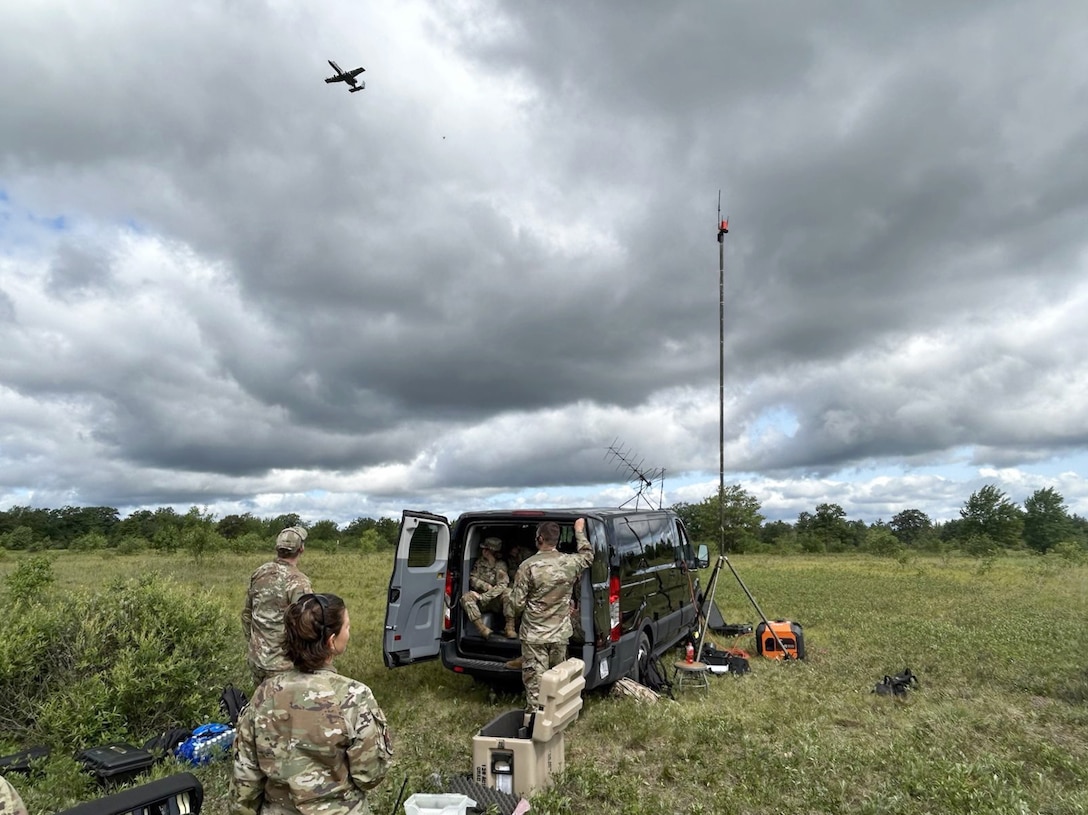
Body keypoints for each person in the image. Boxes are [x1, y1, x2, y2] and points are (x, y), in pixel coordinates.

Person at [231, 593, 393, 815]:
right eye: (347, 627)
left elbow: (246, 778)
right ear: (331, 641)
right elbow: (369, 776)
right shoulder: (355, 697)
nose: (349, 632)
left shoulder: (264, 694)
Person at [509, 518, 593, 710]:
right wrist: (579, 531)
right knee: (558, 682)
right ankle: (557, 720)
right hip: (560, 634)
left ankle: (536, 726)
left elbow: (516, 604)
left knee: (536, 688)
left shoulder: (527, 566)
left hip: (534, 636)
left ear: (539, 538)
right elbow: (588, 556)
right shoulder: (570, 562)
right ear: (556, 540)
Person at [241, 526, 313, 685]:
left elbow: (247, 614)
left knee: (261, 704)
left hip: (257, 658)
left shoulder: (259, 572)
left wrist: (254, 643)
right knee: (284, 708)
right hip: (283, 664)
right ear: (301, 549)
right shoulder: (299, 582)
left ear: (277, 548)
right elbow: (306, 626)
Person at [462, 537, 517, 639]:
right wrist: (485, 586)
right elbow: (473, 578)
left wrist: (485, 596)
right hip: (482, 599)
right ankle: (483, 629)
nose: (484, 551)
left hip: (495, 601)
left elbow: (502, 586)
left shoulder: (501, 565)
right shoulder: (479, 563)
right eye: (483, 549)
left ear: (493, 552)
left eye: (487, 549)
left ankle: (510, 628)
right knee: (466, 598)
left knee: (509, 593)